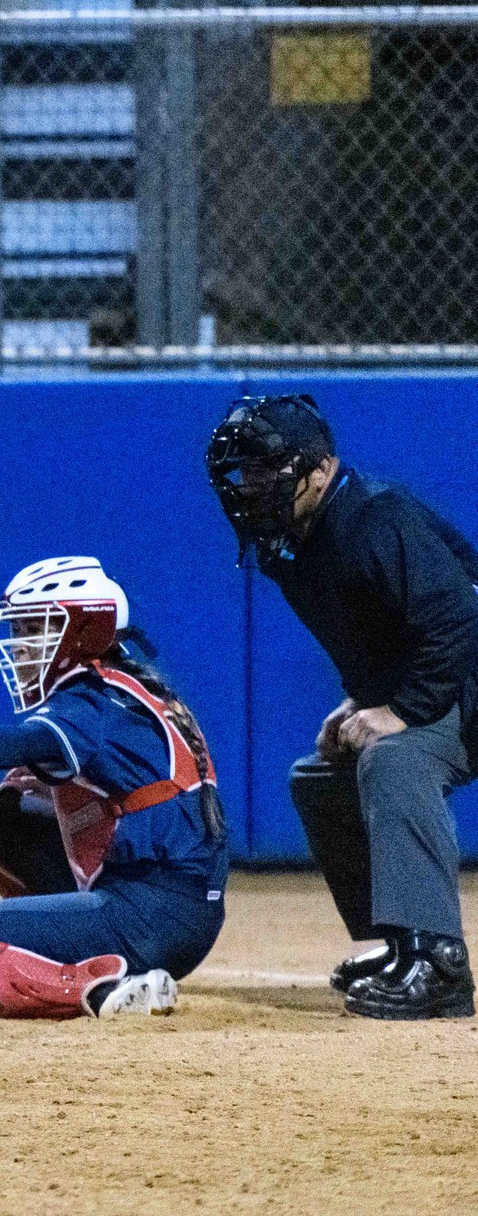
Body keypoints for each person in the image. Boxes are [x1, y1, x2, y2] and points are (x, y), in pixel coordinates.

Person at [207, 394, 478, 1020]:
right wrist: (364, 700)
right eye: (242, 472)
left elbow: (459, 620)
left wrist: (402, 711)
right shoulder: (295, 539)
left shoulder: (374, 517)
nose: (249, 486)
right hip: (450, 679)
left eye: (265, 469)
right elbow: (386, 632)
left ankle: (440, 965)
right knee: (322, 779)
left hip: (468, 675)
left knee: (394, 760)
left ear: (321, 469)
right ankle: (402, 942)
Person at [0, 557, 230, 1021]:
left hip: (149, 910)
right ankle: (72, 955)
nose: (21, 647)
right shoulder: (122, 690)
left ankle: (100, 990)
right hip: (174, 902)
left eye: (34, 629)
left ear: (82, 631)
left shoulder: (95, 704)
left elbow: (20, 740)